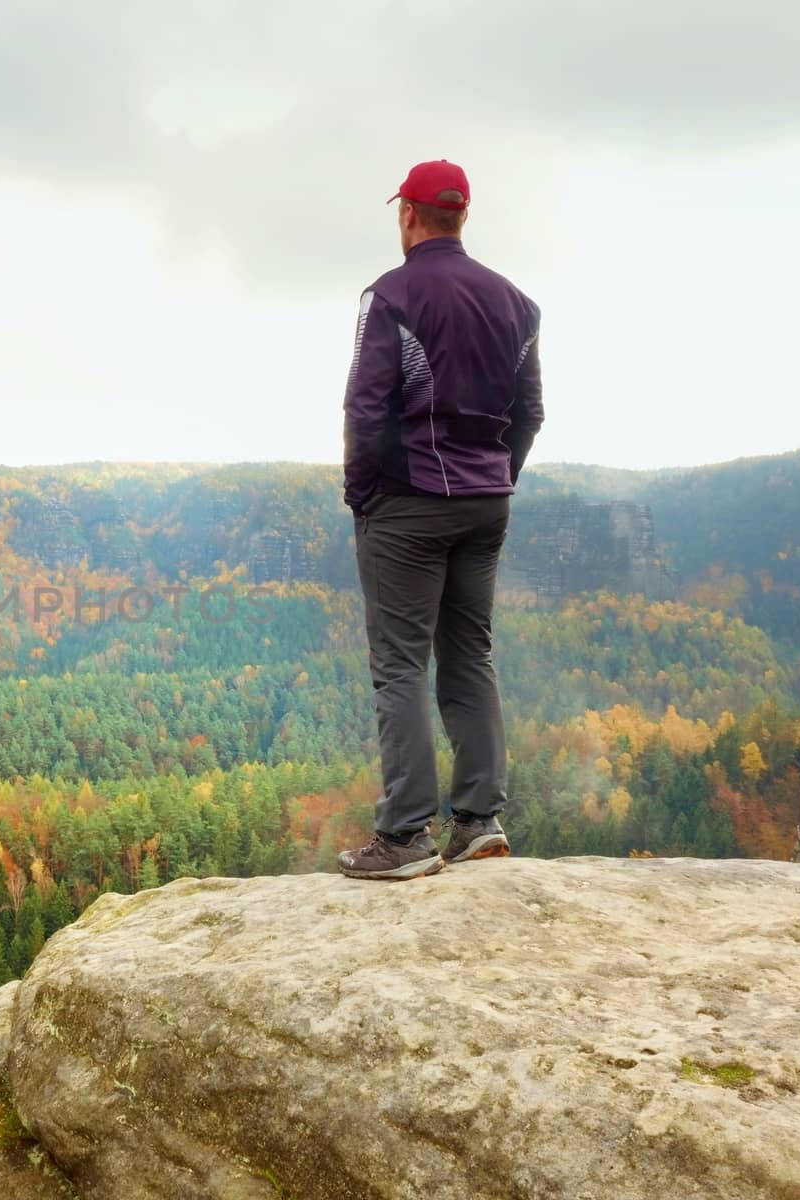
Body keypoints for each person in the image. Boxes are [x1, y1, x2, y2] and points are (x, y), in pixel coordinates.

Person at [336, 159, 543, 880]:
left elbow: (365, 408)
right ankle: (480, 821)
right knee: (470, 655)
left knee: (399, 667)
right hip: (487, 504)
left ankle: (404, 836)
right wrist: (495, 478)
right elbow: (531, 412)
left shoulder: (390, 296)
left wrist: (365, 494)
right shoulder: (516, 303)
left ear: (409, 216)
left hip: (409, 503)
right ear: (462, 214)